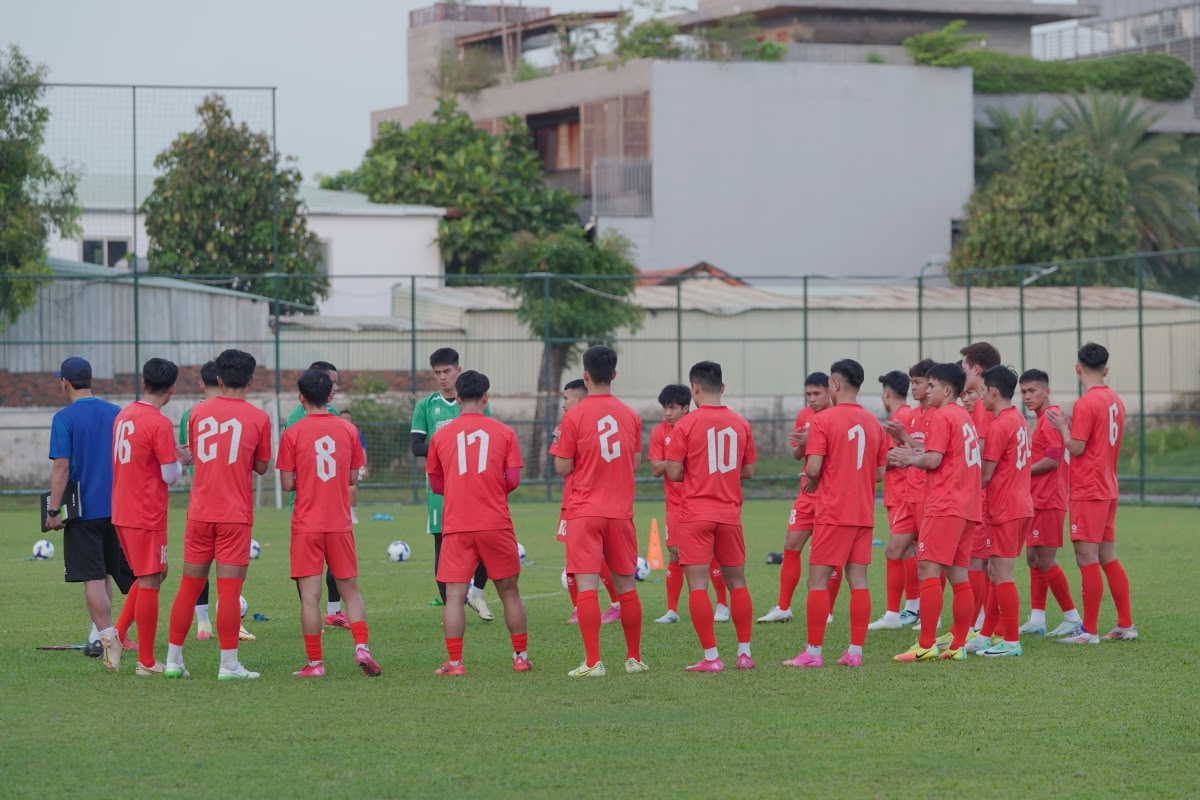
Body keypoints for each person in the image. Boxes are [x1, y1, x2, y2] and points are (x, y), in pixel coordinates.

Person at [164, 349, 271, 679]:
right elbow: (263, 467)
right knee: (229, 591)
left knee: (188, 587)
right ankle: (228, 665)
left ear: (219, 379)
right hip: (234, 514)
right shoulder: (259, 418)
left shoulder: (197, 413)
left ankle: (173, 662)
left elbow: (197, 452)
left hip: (199, 513)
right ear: (251, 380)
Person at [277, 369, 380, 678]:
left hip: (307, 523)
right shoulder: (347, 430)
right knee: (351, 591)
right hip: (339, 523)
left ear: (301, 398)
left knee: (310, 597)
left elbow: (286, 483)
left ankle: (315, 663)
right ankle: (361, 647)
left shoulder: (293, 433)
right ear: (329, 396)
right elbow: (352, 478)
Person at [426, 370, 529, 675]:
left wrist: (461, 489)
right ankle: (520, 658)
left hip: (457, 524)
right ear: (486, 397)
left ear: (457, 398)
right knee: (509, 592)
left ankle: (455, 663)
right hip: (495, 521)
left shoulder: (441, 435)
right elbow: (513, 479)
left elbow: (435, 482)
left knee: (454, 597)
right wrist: (489, 489)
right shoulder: (505, 433)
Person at [785, 359, 887, 668]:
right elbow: (880, 472)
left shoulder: (824, 420)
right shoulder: (873, 423)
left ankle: (813, 653)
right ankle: (855, 652)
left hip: (833, 511)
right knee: (858, 581)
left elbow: (813, 467)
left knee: (816, 581)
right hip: (863, 512)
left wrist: (815, 482)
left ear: (836, 385)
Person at [555, 345, 647, 678]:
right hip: (620, 512)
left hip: (584, 511)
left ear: (586, 376)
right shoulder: (630, 415)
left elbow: (563, 466)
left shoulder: (574, 416)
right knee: (627, 588)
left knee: (589, 587)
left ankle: (593, 662)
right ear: (614, 375)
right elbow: (634, 463)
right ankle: (633, 658)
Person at [665, 361, 757, 672]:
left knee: (698, 586)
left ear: (694, 389)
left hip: (695, 514)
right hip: (729, 513)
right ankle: (744, 653)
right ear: (723, 387)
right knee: (738, 583)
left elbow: (674, 472)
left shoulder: (686, 425)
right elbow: (749, 471)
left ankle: (711, 657)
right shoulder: (741, 424)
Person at [46, 355, 136, 667]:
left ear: (64, 382)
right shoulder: (116, 414)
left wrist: (53, 509)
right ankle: (101, 634)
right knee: (112, 572)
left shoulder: (64, 418)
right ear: (91, 380)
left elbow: (61, 466)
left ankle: (108, 637)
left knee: (93, 578)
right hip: (118, 508)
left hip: (81, 511)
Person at [889, 362, 980, 662]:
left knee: (927, 569)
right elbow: (941, 455)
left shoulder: (942, 416)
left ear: (947, 389)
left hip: (946, 505)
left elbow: (934, 460)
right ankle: (957, 646)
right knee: (959, 576)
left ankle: (926, 643)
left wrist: (908, 460)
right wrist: (915, 452)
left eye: (931, 386)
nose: (926, 391)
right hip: (968, 506)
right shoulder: (963, 416)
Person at [1047, 342, 1137, 644]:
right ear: (1106, 370)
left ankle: (1088, 631)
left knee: (1086, 557)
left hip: (1089, 489)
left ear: (1077, 369)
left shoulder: (1087, 403)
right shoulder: (1115, 400)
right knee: (1106, 555)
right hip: (1109, 487)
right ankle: (1125, 624)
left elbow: (1076, 447)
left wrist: (1062, 427)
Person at [111, 358, 191, 675]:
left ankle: (116, 634)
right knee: (150, 579)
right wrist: (182, 458)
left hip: (122, 508)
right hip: (145, 511)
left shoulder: (123, 415)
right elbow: (169, 474)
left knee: (157, 573)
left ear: (143, 382)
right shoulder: (158, 423)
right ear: (171, 390)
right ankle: (145, 661)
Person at [410, 348, 493, 620]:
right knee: (442, 546)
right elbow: (416, 446)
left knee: (484, 546)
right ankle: (451, 610)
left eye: (447, 371)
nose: (442, 377)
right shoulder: (426, 406)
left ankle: (476, 594)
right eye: (437, 373)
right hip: (441, 487)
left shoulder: (478, 402)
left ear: (458, 370)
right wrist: (448, 445)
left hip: (474, 485)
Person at [179, 361, 255, 643]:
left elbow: (187, 455)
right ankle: (229, 652)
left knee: (192, 579)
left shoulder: (192, 414)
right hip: (233, 506)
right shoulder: (252, 415)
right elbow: (259, 464)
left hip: (201, 502)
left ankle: (197, 630)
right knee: (231, 579)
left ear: (206, 383)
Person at [967, 365, 1034, 657]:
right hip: (1019, 504)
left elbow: (984, 475)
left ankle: (1011, 640)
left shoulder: (998, 426)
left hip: (1007, 507)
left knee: (1002, 574)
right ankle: (985, 634)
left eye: (982, 391)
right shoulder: (1018, 419)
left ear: (993, 391)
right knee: (995, 571)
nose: (979, 397)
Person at [650, 383, 729, 625]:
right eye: (664, 408)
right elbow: (655, 468)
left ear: (686, 407)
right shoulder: (658, 433)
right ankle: (672, 610)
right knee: (674, 553)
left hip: (699, 500)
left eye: (672, 408)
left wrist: (676, 459)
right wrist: (677, 458)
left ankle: (722, 605)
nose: (667, 413)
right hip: (674, 505)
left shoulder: (697, 427)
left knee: (710, 553)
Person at [758, 372, 831, 623]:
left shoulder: (837, 416)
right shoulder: (804, 415)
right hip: (806, 494)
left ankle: (828, 610)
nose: (811, 399)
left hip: (829, 495)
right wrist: (802, 445)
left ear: (831, 390)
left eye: (817, 394)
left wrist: (815, 440)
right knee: (791, 545)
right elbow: (797, 456)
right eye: (808, 394)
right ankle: (783, 606)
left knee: (826, 554)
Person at [284, 360, 349, 629]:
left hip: (333, 505)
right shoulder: (296, 418)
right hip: (306, 505)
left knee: (336, 566)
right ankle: (310, 615)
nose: (334, 387)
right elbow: (292, 475)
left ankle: (333, 611)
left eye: (336, 382)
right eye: (330, 381)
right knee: (309, 571)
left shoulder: (334, 414)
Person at [551, 379, 622, 625]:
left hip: (579, 500)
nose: (563, 404)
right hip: (605, 501)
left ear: (579, 400)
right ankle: (591, 606)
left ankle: (603, 605)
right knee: (585, 557)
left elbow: (562, 467)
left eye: (565, 398)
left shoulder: (571, 424)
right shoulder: (615, 416)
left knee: (580, 558)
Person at [1017, 369, 1081, 637]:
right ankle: (1037, 618)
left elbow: (1053, 460)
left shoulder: (1050, 417)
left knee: (1044, 559)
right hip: (1037, 498)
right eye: (1024, 392)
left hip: (1048, 498)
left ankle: (1072, 616)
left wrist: (1019, 471)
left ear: (1046, 391)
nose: (1028, 396)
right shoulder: (1042, 418)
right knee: (1033, 559)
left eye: (1032, 391)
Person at [883, 358, 938, 628]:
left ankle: (933, 615)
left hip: (931, 497)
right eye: (912, 382)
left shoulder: (939, 415)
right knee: (894, 550)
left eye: (917, 382)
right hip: (909, 495)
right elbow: (913, 451)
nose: (913, 387)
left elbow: (932, 454)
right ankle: (895, 614)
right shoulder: (914, 415)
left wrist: (904, 438)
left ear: (932, 384)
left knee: (931, 560)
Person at [869, 369, 917, 631]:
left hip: (902, 493)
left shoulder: (898, 419)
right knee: (910, 551)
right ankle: (912, 607)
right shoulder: (912, 415)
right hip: (909, 493)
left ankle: (896, 613)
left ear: (886, 393)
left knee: (896, 551)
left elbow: (892, 457)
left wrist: (865, 462)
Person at [960, 342, 1002, 635]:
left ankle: (976, 625)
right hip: (985, 494)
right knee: (983, 562)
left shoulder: (984, 405)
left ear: (976, 370)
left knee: (978, 560)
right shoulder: (981, 403)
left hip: (986, 495)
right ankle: (984, 622)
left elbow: (984, 451)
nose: (962, 373)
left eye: (964, 367)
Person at [339, 408, 368, 527]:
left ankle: (352, 512)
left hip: (353, 466)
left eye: (348, 418)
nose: (346, 420)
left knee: (352, 490)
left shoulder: (356, 433)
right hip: (338, 467)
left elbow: (362, 450)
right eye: (343, 418)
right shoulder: (335, 432)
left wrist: (364, 466)